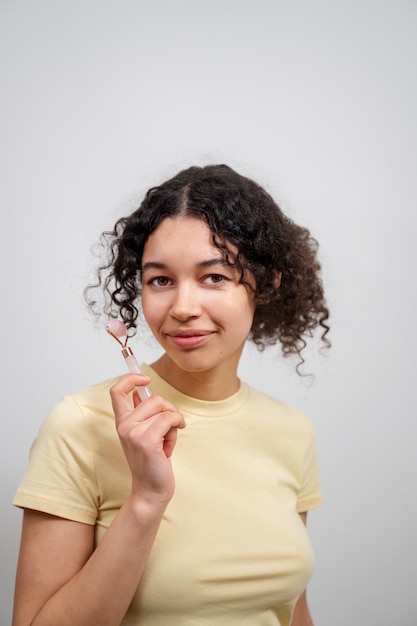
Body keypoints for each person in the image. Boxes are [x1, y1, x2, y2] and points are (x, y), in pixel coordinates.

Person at [12, 164, 330, 626]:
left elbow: (290, 611)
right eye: (160, 280)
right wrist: (145, 500)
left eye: (215, 277)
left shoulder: (292, 431)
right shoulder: (80, 423)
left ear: (267, 283)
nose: (182, 308)